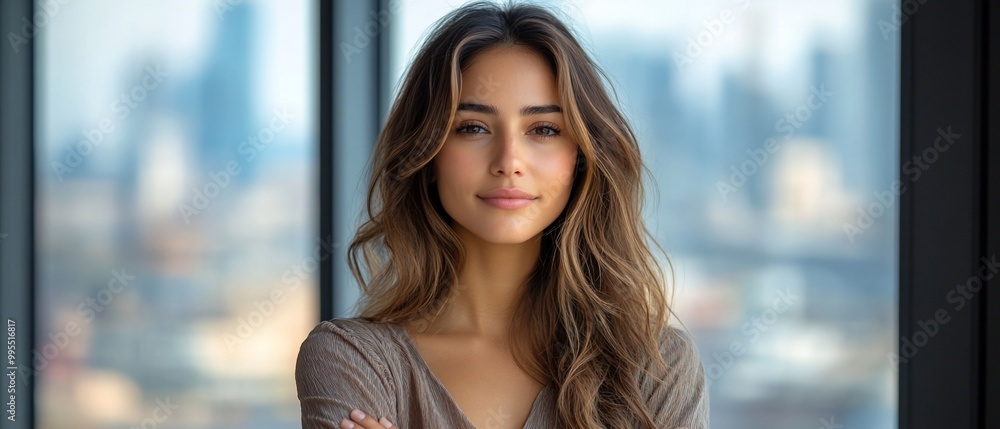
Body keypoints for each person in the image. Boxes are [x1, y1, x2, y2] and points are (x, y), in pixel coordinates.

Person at [295, 1, 708, 428]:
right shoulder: (353, 360)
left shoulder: (658, 368)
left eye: (544, 130)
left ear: (581, 157)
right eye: (472, 127)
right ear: (427, 154)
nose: (509, 160)